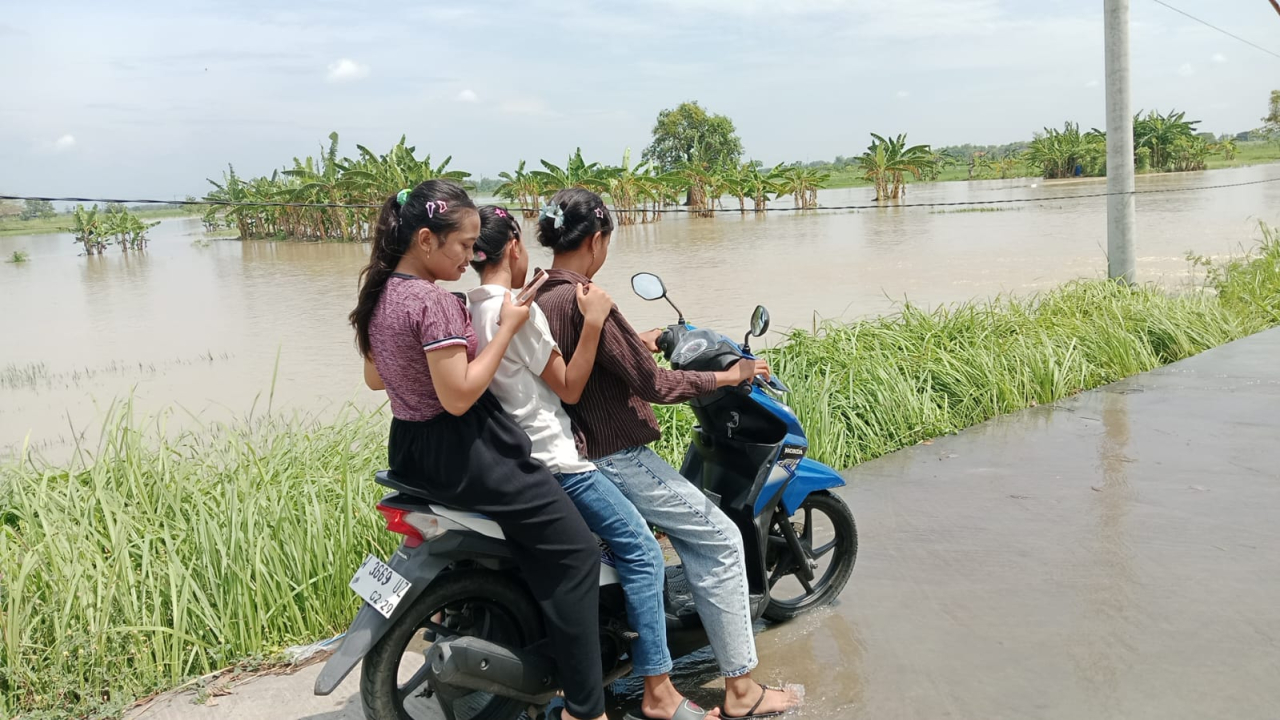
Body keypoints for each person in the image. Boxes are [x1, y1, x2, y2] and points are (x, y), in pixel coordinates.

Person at [533, 189, 801, 719]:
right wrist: (730, 374)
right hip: (617, 454)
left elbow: (589, 352)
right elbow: (655, 385)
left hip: (576, 449)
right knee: (720, 537)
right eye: (606, 239)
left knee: (683, 536)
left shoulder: (542, 291)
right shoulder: (590, 298)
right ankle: (742, 691)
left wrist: (639, 335)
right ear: (595, 239)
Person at [349, 180, 606, 720]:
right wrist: (507, 328)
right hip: (469, 450)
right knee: (578, 553)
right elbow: (461, 395)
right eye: (462, 245)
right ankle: (587, 707)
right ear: (425, 239)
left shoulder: (380, 293)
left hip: (411, 447)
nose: (470, 257)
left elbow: (378, 377)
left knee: (542, 545)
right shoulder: (434, 303)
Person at [466, 205, 728, 720]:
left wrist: (636, 340)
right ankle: (660, 690)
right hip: (561, 458)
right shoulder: (524, 310)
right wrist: (594, 322)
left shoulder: (474, 307)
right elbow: (570, 385)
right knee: (644, 552)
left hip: (517, 456)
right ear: (515, 245)